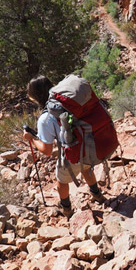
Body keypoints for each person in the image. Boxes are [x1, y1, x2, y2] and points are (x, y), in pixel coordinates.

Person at [22, 75, 106, 216]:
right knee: (86, 169)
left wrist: (31, 138)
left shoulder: (45, 119)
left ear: (35, 96)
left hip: (71, 152)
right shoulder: (68, 101)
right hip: (89, 142)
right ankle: (97, 195)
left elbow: (46, 150)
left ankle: (67, 209)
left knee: (61, 182)